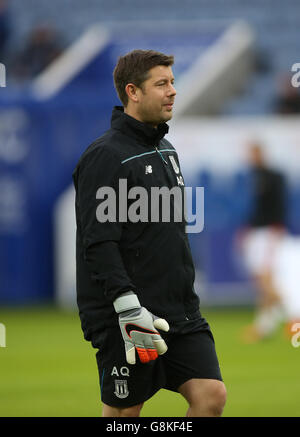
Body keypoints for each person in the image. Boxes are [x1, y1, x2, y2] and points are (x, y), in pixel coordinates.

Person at [72, 50, 226, 417]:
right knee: (125, 415)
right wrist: (127, 308)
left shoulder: (166, 149)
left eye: (173, 82)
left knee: (211, 397)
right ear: (133, 91)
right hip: (126, 313)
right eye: (162, 84)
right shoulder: (105, 156)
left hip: (179, 310)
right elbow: (99, 241)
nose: (173, 91)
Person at [238, 142, 287, 342]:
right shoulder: (255, 177)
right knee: (262, 280)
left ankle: (290, 312)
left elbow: (279, 205)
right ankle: (265, 325)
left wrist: (277, 227)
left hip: (269, 232)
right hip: (257, 232)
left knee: (266, 278)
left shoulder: (273, 177)